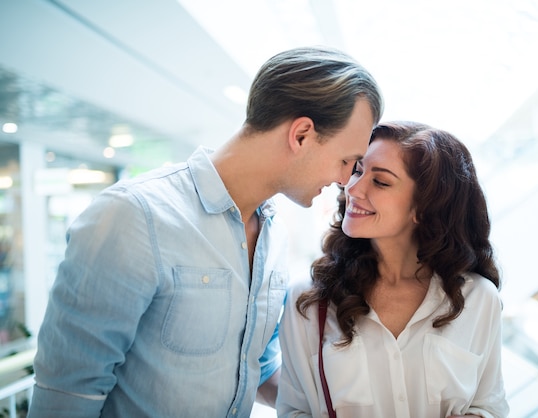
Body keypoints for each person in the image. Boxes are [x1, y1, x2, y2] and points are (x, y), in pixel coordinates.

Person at [27, 46, 383, 418]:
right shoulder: (132, 216)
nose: (346, 181)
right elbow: (66, 394)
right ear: (302, 135)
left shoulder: (273, 235)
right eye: (346, 161)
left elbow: (254, 369)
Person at [277, 121, 509, 418]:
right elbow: (293, 410)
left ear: (424, 208)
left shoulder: (479, 299)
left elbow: (491, 405)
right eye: (358, 170)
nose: (353, 188)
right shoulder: (308, 300)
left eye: (381, 182)